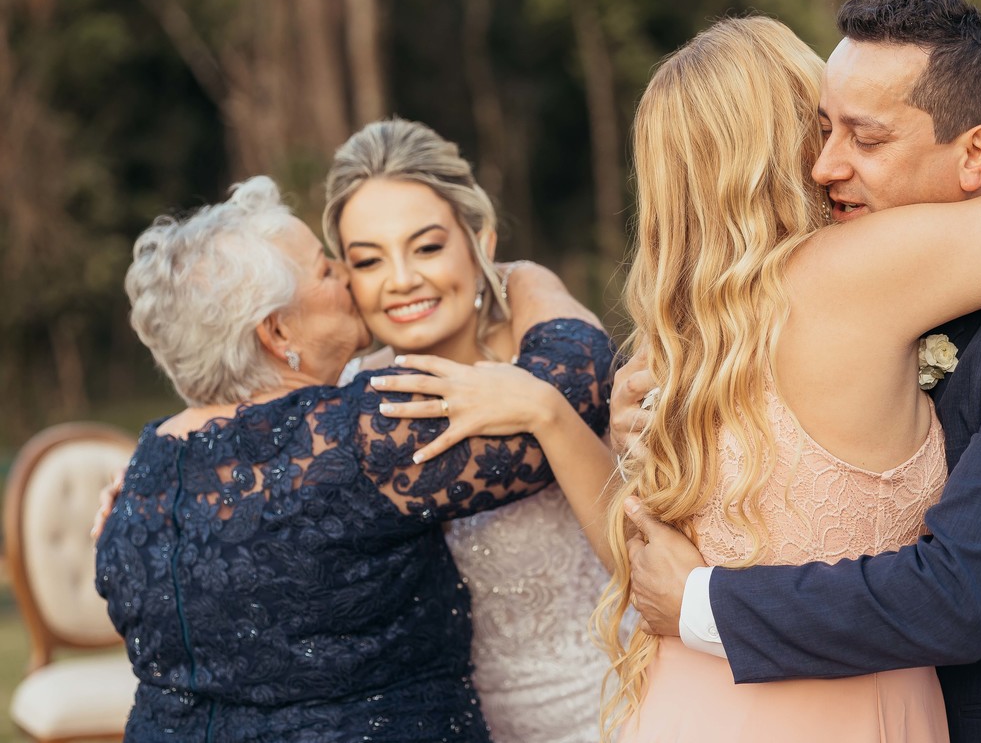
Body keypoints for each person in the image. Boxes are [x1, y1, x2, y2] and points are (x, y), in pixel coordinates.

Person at [612, 0, 981, 743]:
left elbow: (962, 595)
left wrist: (701, 602)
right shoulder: (842, 293)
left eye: (866, 137)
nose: (824, 167)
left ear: (977, 152)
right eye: (820, 131)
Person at [94, 176, 614, 742]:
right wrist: (529, 281)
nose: (346, 275)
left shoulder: (146, 477)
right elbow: (572, 387)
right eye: (325, 269)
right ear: (277, 332)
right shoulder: (358, 433)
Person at [321, 118, 618, 743]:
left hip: (604, 710)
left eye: (427, 247)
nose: (401, 280)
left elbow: (631, 546)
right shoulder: (353, 393)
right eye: (368, 260)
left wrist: (542, 408)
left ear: (479, 240)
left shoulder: (547, 359)